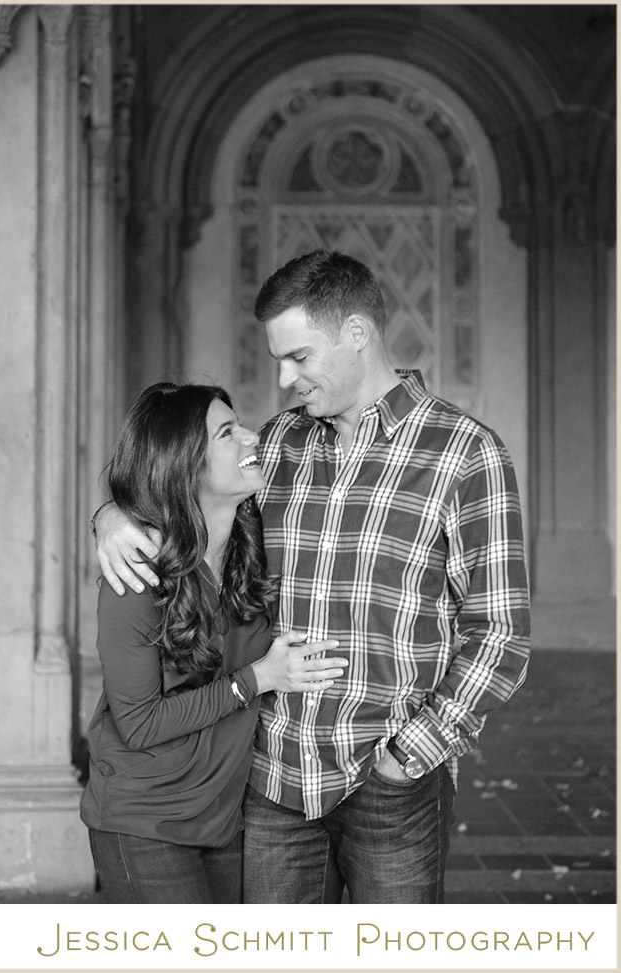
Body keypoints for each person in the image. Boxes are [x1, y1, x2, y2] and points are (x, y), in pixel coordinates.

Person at [94, 250, 530, 903]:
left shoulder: (466, 454)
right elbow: (178, 479)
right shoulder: (279, 446)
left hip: (392, 784)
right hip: (272, 785)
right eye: (278, 360)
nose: (286, 377)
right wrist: (111, 517)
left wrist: (409, 753)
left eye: (298, 356)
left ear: (357, 333)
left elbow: (500, 634)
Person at [81, 382, 346, 903]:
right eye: (228, 433)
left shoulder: (257, 539)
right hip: (143, 823)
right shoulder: (135, 577)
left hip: (224, 817)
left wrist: (107, 514)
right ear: (187, 465)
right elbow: (139, 724)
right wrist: (258, 679)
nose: (252, 436)